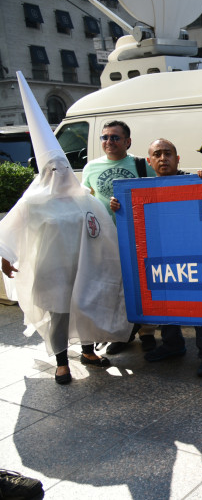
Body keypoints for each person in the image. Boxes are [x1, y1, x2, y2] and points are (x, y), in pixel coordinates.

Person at [0, 72, 131, 384]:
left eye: (62, 168)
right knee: (59, 315)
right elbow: (8, 231)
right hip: (52, 272)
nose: (58, 174)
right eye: (51, 169)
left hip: (84, 268)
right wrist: (5, 258)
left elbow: (101, 230)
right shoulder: (32, 203)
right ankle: (62, 362)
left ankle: (88, 350)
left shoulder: (83, 199)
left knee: (85, 307)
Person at [110, 138, 202, 377]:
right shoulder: (140, 190)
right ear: (149, 161)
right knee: (166, 303)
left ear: (177, 159)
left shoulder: (195, 180)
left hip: (195, 256)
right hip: (162, 259)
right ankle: (172, 345)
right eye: (157, 154)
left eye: (167, 153)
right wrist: (119, 205)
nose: (162, 158)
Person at [82, 120, 157, 354]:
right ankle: (121, 333)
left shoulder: (142, 165)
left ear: (128, 141)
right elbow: (84, 200)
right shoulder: (90, 168)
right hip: (105, 240)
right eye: (104, 137)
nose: (109, 142)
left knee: (141, 285)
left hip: (137, 237)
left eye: (115, 137)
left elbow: (157, 193)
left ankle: (147, 332)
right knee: (114, 288)